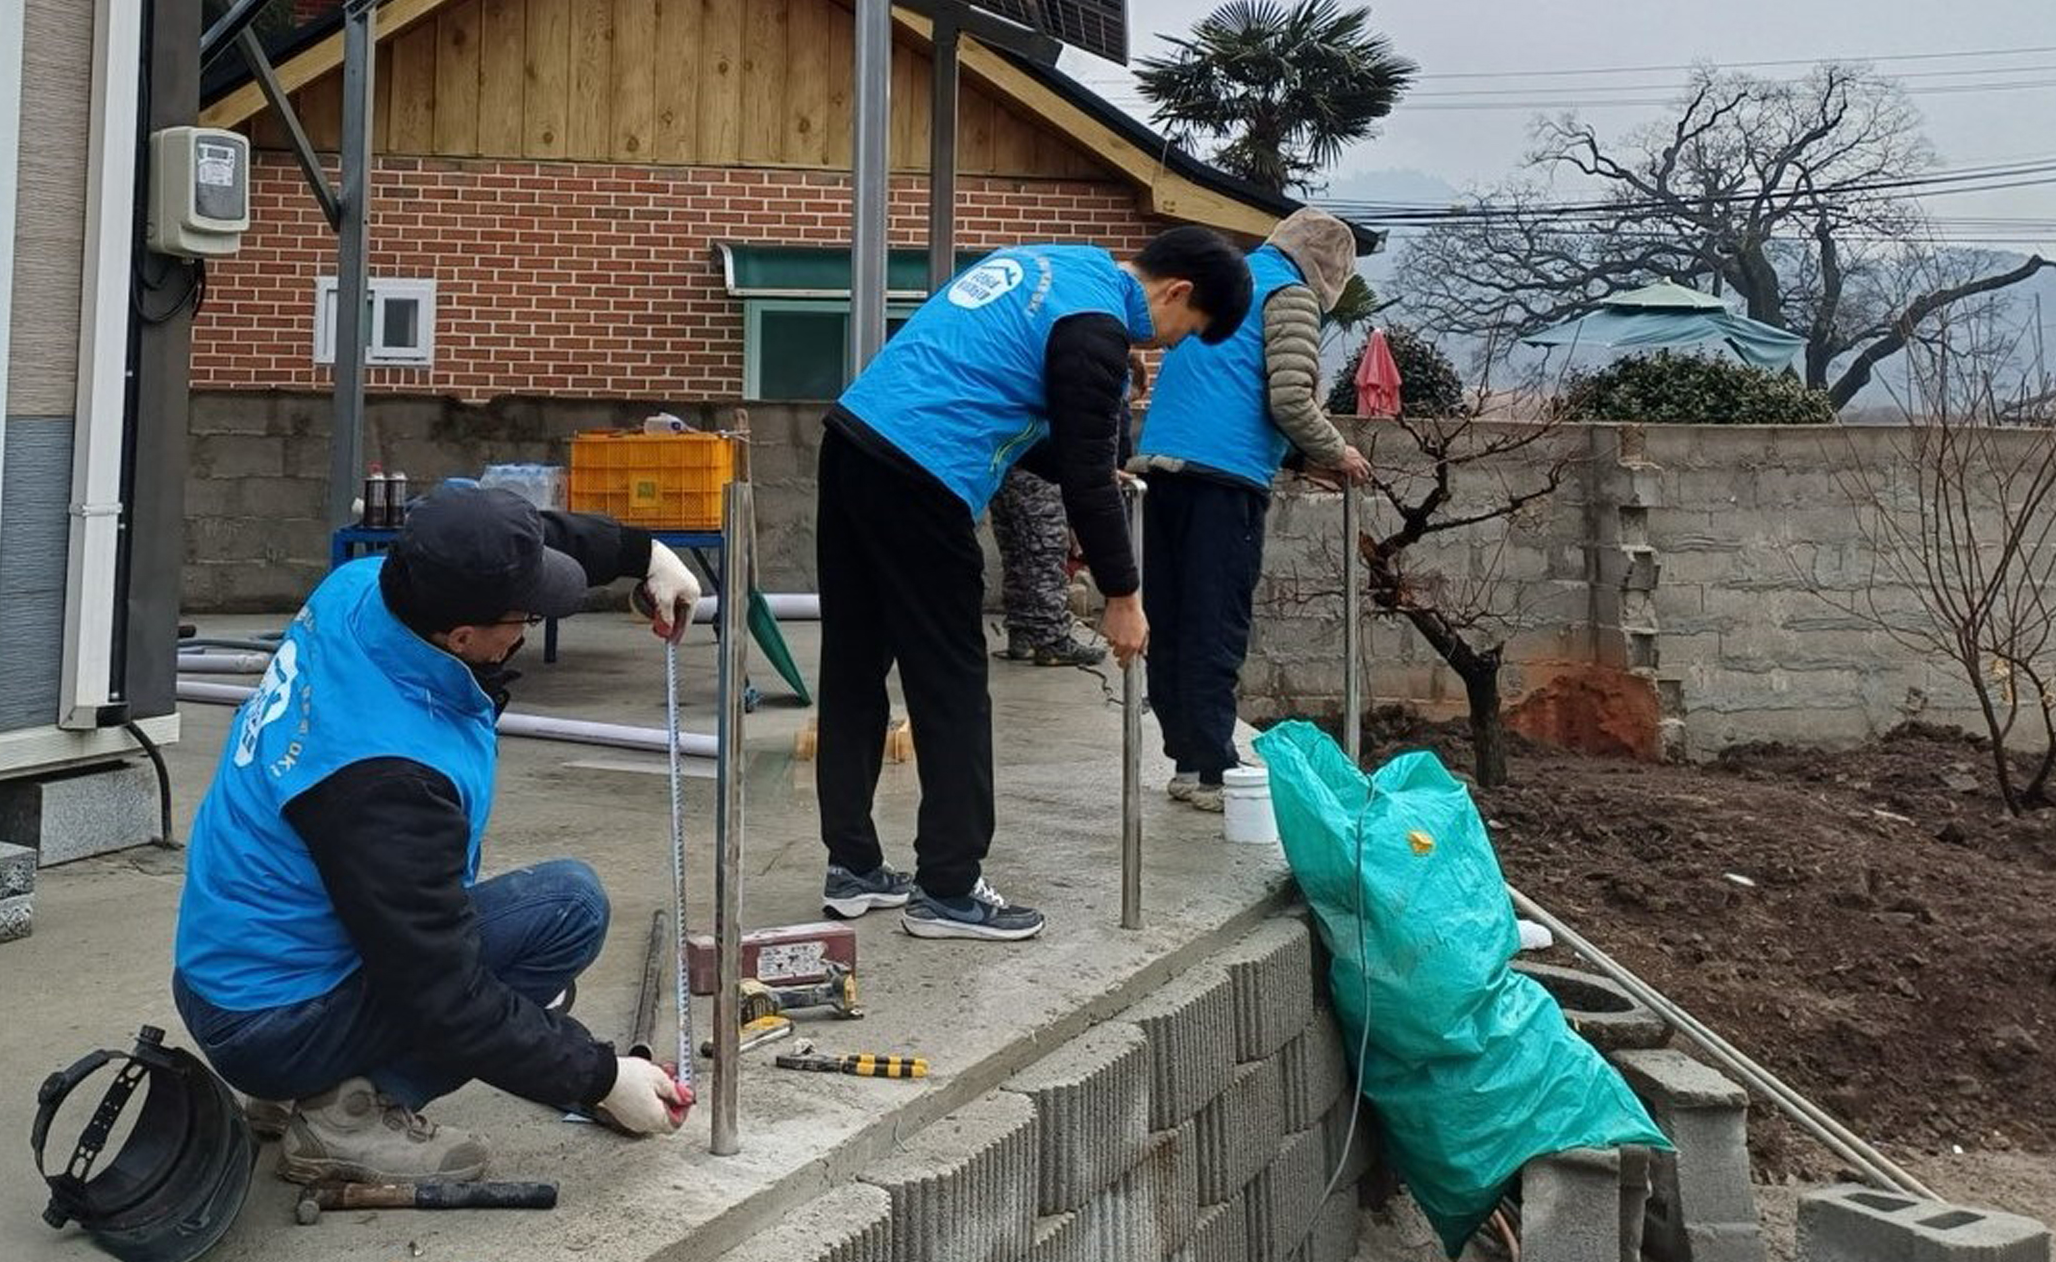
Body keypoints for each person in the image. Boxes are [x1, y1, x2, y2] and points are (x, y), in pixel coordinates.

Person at [171, 483, 703, 1185]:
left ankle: (310, 1081)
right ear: (462, 637)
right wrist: (600, 1078)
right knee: (568, 913)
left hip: (229, 969)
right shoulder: (386, 776)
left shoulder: (364, 589)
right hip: (269, 1021)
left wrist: (645, 554)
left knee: (546, 908)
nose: (531, 624)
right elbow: (445, 995)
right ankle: (347, 1116)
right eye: (524, 616)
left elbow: (498, 542)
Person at [814, 227, 1253, 941]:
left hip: (855, 442)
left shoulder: (1057, 263)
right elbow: (1083, 477)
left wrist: (1090, 472)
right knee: (951, 682)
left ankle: (854, 868)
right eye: (1182, 333)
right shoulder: (1097, 330)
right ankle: (949, 889)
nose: (1163, 345)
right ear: (1179, 292)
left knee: (855, 667)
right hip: (920, 477)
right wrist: (1124, 596)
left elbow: (1013, 403)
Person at [1134, 209, 1373, 810]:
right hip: (1223, 484)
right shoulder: (1290, 295)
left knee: (1173, 621)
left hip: (1162, 469)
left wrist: (1294, 462)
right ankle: (1218, 769)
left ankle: (1188, 761)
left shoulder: (1230, 281)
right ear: (1328, 267)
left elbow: (1228, 391)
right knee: (1215, 625)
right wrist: (1336, 451)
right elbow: (1290, 399)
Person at [989, 467, 1105, 668]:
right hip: (1038, 468)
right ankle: (1052, 641)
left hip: (1004, 464)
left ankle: (1024, 636)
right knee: (1046, 552)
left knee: (1017, 552)